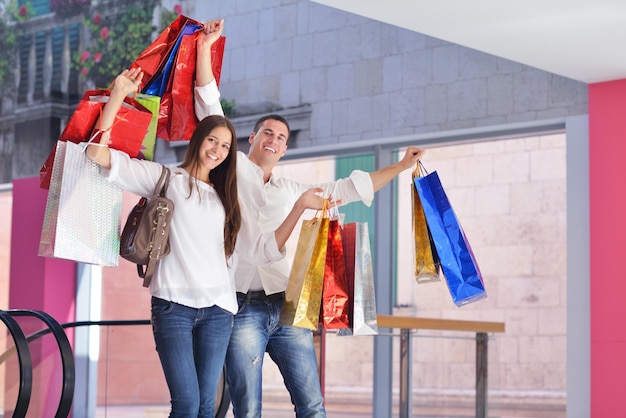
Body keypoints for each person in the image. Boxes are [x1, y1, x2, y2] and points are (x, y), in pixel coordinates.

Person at [85, 20, 330, 418]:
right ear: (199, 141)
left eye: (225, 146)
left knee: (206, 405)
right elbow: (97, 156)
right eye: (212, 141)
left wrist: (301, 207)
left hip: (219, 310)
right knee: (185, 404)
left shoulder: (228, 199)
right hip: (173, 308)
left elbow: (263, 248)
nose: (217, 149)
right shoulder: (166, 179)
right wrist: (117, 96)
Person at [194, 21, 425, 418]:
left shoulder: (291, 188)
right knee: (247, 408)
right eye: (268, 132)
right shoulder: (232, 170)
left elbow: (349, 189)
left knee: (313, 406)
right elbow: (209, 107)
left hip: (287, 306)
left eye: (282, 137)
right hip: (240, 306)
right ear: (252, 138)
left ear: (285, 149)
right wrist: (204, 48)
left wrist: (402, 165)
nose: (275, 140)